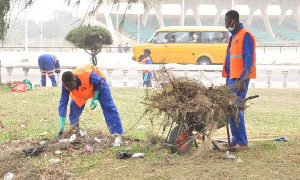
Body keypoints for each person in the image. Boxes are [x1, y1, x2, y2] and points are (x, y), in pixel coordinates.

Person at [222, 10, 256, 150]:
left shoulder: (245, 35)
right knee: (231, 109)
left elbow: (248, 59)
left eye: (227, 22)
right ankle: (235, 140)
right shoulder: (234, 36)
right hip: (232, 79)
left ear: (234, 22)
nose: (225, 25)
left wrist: (243, 79)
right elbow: (231, 61)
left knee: (237, 109)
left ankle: (242, 142)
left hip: (239, 80)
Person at [57, 64, 124, 137]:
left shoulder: (87, 74)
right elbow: (63, 102)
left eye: (69, 86)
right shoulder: (66, 85)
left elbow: (99, 81)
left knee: (109, 107)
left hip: (99, 84)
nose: (68, 89)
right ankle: (74, 133)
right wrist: (62, 123)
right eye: (66, 86)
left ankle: (117, 134)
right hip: (81, 91)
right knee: (74, 109)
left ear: (74, 80)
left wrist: (95, 98)